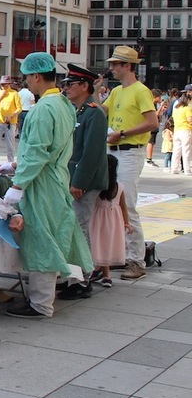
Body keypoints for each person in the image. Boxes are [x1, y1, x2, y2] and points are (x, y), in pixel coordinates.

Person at [4, 52, 92, 319]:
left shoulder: (43, 109)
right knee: (55, 233)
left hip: (41, 182)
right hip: (56, 178)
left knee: (41, 238)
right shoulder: (64, 104)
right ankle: (53, 291)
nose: (26, 82)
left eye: (27, 77)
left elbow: (37, 152)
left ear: (36, 76)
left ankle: (40, 303)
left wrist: (18, 183)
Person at [101, 45, 159, 281]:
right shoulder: (116, 92)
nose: (111, 68)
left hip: (129, 151)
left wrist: (122, 134)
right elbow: (99, 112)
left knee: (127, 204)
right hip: (114, 150)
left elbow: (153, 122)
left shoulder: (140, 91)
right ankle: (121, 255)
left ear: (127, 66)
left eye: (115, 64)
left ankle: (136, 259)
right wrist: (94, 93)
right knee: (112, 203)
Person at [59, 63, 109, 301]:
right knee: (71, 228)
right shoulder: (77, 111)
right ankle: (72, 275)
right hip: (73, 179)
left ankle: (82, 279)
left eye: (71, 84)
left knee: (79, 228)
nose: (66, 88)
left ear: (84, 86)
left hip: (84, 182)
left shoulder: (94, 112)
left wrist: (79, 182)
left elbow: (92, 152)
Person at [90, 155, 131, 289]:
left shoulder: (96, 186)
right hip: (113, 220)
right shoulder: (119, 187)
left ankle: (104, 273)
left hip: (97, 220)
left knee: (98, 244)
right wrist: (126, 223)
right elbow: (124, 207)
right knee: (105, 244)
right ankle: (101, 272)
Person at [0, 75, 21, 167]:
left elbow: (19, 108)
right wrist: (1, 96)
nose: (3, 86)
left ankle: (10, 163)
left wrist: (12, 115)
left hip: (10, 122)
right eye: (1, 85)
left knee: (10, 145)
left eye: (4, 84)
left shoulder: (14, 93)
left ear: (8, 84)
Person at [170, 92, 192, 175]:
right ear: (188, 100)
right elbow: (190, 120)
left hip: (177, 130)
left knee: (176, 150)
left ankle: (174, 168)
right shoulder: (187, 109)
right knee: (186, 151)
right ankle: (187, 169)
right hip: (186, 130)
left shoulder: (176, 108)